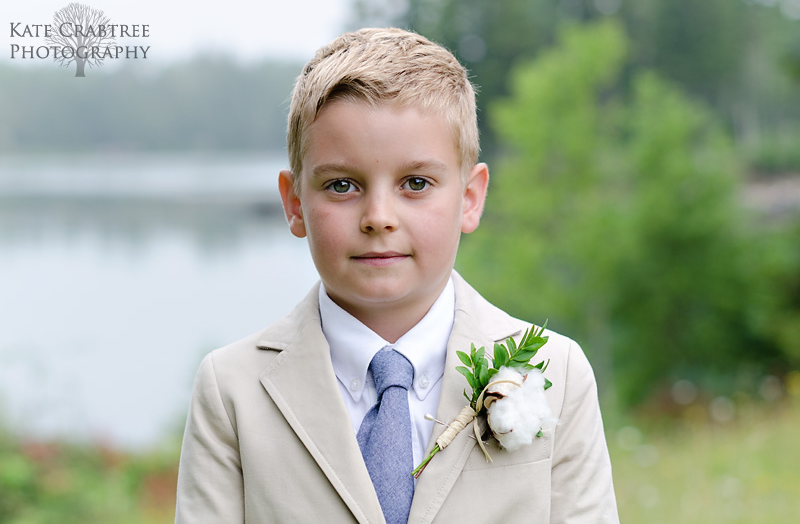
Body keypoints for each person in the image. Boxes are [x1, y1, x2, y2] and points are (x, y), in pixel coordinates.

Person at [175, 27, 619, 524]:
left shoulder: (557, 372)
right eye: (342, 185)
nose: (378, 216)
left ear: (470, 199)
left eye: (416, 183)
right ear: (295, 202)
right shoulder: (232, 388)